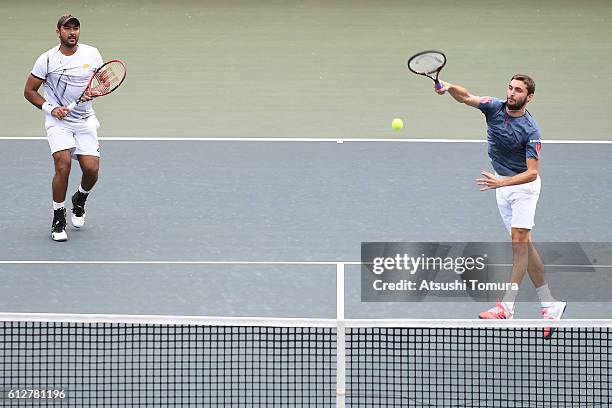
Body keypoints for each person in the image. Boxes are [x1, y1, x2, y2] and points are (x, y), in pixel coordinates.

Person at [435, 75, 566, 332]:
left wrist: (502, 184)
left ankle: (507, 307)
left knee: (518, 244)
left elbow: (532, 173)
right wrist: (449, 87)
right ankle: (550, 304)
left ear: (529, 97)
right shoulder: (493, 107)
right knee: (525, 246)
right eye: (510, 88)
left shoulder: (531, 130)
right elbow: (466, 96)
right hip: (501, 186)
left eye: (518, 90)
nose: (512, 93)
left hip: (522, 189)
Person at [24, 14, 103, 242]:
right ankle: (58, 217)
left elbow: (103, 80)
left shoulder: (92, 54)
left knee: (91, 170)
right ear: (58, 32)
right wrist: (51, 108)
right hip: (58, 121)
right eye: (67, 28)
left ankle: (80, 199)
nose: (72, 32)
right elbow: (29, 91)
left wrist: (95, 91)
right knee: (63, 164)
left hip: (84, 119)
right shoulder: (47, 59)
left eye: (75, 28)